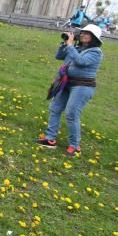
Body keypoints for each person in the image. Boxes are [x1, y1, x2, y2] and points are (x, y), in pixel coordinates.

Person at [37, 24, 103, 156]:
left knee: (71, 114)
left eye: (87, 33)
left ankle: (75, 145)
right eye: (82, 32)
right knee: (55, 108)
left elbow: (80, 61)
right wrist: (64, 43)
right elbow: (59, 56)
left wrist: (71, 46)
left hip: (82, 87)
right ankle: (50, 139)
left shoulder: (95, 52)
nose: (83, 35)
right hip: (66, 83)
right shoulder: (77, 47)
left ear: (94, 38)